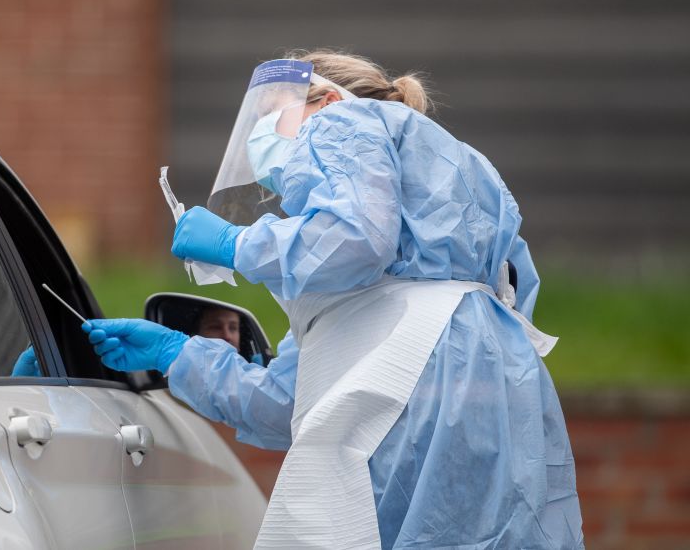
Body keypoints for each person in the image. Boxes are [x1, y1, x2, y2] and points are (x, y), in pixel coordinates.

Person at [83, 50, 583, 548]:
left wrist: (237, 244)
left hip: (420, 365)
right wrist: (176, 353)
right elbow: (292, 404)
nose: (261, 136)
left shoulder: (344, 123)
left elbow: (356, 239)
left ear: (321, 99)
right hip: (476, 377)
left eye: (271, 115)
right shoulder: (377, 286)